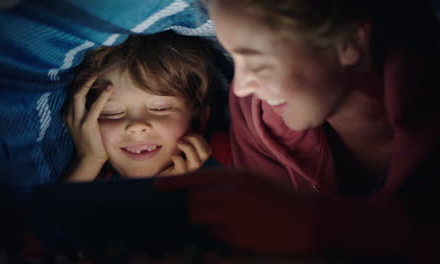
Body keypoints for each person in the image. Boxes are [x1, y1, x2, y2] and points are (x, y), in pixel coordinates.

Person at [156, 0, 440, 261]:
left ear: (350, 43)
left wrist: (324, 223)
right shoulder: (255, 112)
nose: (240, 85)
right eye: (235, 60)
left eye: (259, 63)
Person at [64, 30, 221, 182]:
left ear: (198, 118)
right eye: (111, 112)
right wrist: (88, 160)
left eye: (160, 108)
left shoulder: (229, 161)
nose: (136, 126)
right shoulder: (84, 181)